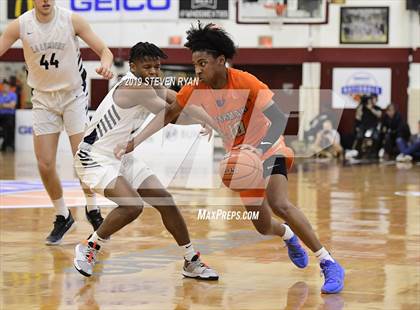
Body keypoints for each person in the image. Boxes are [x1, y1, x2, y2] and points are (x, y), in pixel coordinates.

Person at [117, 22, 345, 294]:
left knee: (279, 202)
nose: (198, 69)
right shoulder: (194, 90)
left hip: (269, 148)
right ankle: (288, 235)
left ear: (221, 60)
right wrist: (135, 141)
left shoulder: (246, 82)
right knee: (262, 226)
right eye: (195, 64)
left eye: (203, 63)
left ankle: (328, 262)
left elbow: (278, 118)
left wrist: (259, 150)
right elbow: (168, 115)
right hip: (241, 161)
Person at [73, 42, 218, 280]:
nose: (153, 72)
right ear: (133, 66)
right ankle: (90, 246)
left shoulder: (150, 83)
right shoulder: (134, 87)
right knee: (132, 205)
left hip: (120, 155)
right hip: (94, 156)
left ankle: (191, 261)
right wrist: (204, 119)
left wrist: (206, 116)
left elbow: (180, 99)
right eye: (147, 66)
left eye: (157, 67)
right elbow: (171, 115)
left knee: (165, 200)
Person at [0, 0, 113, 245]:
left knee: (82, 159)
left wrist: (105, 64)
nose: (45, 1)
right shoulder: (20, 25)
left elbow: (105, 51)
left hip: (73, 96)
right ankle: (63, 215)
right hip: (42, 99)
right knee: (45, 163)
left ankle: (92, 209)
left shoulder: (72, 20)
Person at [0, 80, 17, 152]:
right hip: (1, 115)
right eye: (4, 86)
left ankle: (7, 145)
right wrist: (8, 104)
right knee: (4, 130)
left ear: (9, 87)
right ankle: (4, 144)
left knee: (9, 128)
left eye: (6, 86)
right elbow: (9, 105)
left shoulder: (13, 94)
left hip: (10, 116)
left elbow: (12, 106)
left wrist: (2, 105)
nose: (5, 88)